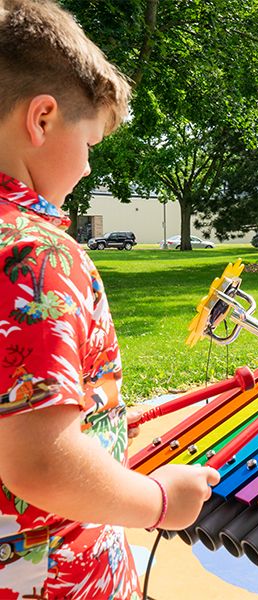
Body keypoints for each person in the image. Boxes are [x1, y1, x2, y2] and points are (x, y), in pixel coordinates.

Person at [0, 1, 220, 597]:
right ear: (42, 120)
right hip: (47, 579)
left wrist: (107, 432)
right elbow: (39, 462)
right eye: (90, 140)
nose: (89, 162)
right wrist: (159, 502)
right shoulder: (33, 255)